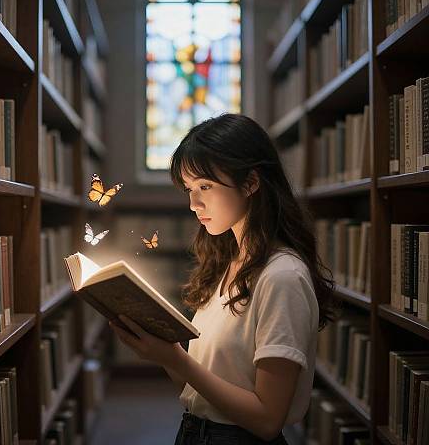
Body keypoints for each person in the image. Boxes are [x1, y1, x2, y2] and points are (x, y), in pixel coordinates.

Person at [109, 113, 336, 444]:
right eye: (188, 189)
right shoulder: (228, 263)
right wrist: (164, 352)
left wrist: (177, 360)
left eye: (205, 186)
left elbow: (267, 421)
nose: (193, 203)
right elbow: (199, 394)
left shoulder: (282, 277)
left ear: (250, 183)